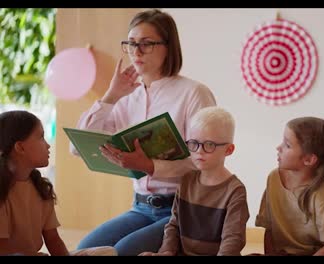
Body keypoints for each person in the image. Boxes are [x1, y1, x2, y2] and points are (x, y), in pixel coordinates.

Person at [73, 9, 216, 256]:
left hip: (185, 207)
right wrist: (111, 96)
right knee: (86, 250)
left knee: (123, 252)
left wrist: (151, 166)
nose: (136, 51)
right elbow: (78, 146)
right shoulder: (126, 98)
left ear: (169, 47)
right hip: (140, 207)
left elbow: (207, 160)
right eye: (131, 43)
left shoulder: (194, 93)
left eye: (146, 44)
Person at [0, 110, 116, 256]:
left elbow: (53, 239)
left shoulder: (40, 187)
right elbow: (2, 248)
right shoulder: (2, 189)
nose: (48, 145)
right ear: (20, 147)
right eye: (41, 137)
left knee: (107, 252)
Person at [139, 106, 249, 256]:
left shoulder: (235, 190)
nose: (199, 151)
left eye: (209, 144)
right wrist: (166, 252)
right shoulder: (187, 180)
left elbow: (233, 239)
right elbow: (173, 226)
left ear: (229, 150)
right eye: (194, 143)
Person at [254, 117, 324, 256]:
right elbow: (270, 229)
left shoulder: (322, 198)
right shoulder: (273, 178)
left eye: (287, 145)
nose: (278, 148)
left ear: (308, 159)